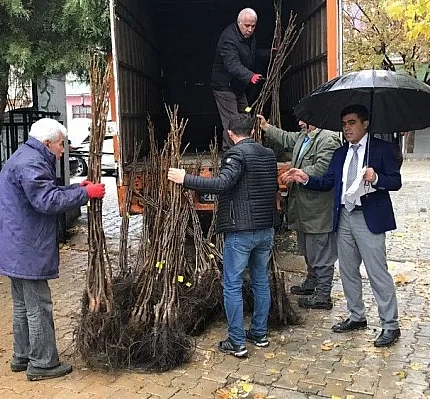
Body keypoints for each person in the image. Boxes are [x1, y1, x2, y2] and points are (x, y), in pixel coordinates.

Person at [0, 118, 105, 381]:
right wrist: (86, 194)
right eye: (61, 145)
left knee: (23, 304)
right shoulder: (31, 162)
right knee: (39, 304)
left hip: (12, 243)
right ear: (47, 143)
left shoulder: (26, 156)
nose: (63, 150)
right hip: (23, 246)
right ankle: (43, 364)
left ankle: (22, 356)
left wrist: (75, 188)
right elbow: (46, 200)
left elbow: (43, 192)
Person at [283, 104, 402, 347]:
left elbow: (396, 182)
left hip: (369, 216)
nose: (347, 128)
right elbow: (328, 182)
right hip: (344, 216)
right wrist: (305, 178)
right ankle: (356, 316)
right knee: (347, 270)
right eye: (344, 124)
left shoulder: (381, 150)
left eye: (352, 123)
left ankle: (390, 325)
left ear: (365, 123)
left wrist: (376, 178)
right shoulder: (340, 153)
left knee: (377, 272)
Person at [167, 114, 278, 358]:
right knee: (260, 280)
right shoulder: (268, 155)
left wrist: (185, 179)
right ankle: (259, 334)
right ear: (252, 130)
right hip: (265, 229)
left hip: (241, 231)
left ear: (230, 133)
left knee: (232, 285)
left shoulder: (236, 154)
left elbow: (222, 184)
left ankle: (237, 342)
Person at [257, 114, 342, 310]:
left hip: (318, 210)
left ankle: (323, 295)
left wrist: (298, 174)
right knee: (307, 249)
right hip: (304, 209)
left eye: (304, 119)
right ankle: (312, 283)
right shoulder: (305, 136)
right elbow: (287, 138)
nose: (300, 123)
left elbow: (323, 168)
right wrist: (266, 127)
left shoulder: (327, 138)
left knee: (321, 253)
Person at [211, 8, 267, 150]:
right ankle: (231, 152)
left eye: (253, 26)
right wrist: (250, 76)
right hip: (224, 86)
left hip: (238, 86)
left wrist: (268, 53)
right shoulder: (228, 39)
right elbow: (232, 64)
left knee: (245, 116)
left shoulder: (248, 37)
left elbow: (248, 54)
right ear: (239, 23)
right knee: (232, 121)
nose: (250, 30)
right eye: (246, 26)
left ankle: (247, 150)